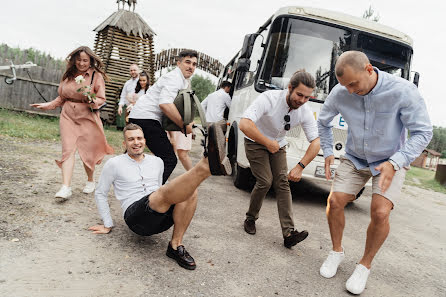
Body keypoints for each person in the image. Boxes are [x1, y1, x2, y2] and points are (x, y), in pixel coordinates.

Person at [317, 51, 432, 295]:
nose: (348, 91)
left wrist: (396, 161)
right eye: (344, 85)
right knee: (335, 201)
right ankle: (336, 252)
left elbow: (423, 132)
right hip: (355, 156)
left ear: (369, 70)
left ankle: (364, 265)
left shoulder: (403, 91)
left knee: (380, 212)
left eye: (353, 84)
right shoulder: (341, 92)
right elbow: (324, 122)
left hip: (391, 158)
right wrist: (327, 150)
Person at [88, 122, 230, 270]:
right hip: (136, 218)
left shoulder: (157, 162)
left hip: (161, 215)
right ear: (125, 143)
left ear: (145, 141)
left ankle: (175, 246)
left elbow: (165, 189)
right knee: (162, 193)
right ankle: (206, 165)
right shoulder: (114, 163)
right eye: (131, 139)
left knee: (190, 191)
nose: (136, 142)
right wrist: (107, 223)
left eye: (139, 138)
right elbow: (100, 193)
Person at [240, 70, 320, 248]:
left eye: (307, 97)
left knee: (282, 183)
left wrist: (300, 166)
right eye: (299, 94)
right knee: (265, 181)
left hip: (278, 145)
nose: (302, 100)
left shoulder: (304, 111)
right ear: (290, 88)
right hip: (255, 141)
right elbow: (245, 124)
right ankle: (250, 218)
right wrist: (267, 142)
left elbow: (316, 142)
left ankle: (289, 233)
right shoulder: (269, 98)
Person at [31, 46, 114, 199]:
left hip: (88, 116)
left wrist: (91, 98)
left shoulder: (96, 76)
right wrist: (48, 105)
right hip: (68, 116)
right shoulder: (68, 75)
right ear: (74, 60)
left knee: (87, 151)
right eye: (79, 60)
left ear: (90, 61)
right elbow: (61, 97)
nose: (81, 63)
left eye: (85, 60)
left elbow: (101, 99)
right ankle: (65, 187)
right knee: (68, 150)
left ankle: (90, 180)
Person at [129, 50, 198, 184]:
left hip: (143, 117)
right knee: (168, 159)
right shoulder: (174, 78)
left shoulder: (182, 80)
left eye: (194, 64)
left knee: (152, 157)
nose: (191, 67)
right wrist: (183, 125)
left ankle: (145, 187)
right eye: (187, 62)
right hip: (145, 118)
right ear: (179, 63)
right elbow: (165, 104)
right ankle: (152, 196)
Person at [117, 64, 140, 129]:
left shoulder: (142, 82)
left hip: (139, 108)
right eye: (131, 70)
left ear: (138, 71)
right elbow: (123, 95)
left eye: (134, 70)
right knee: (128, 125)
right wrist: (120, 107)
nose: (133, 72)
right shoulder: (127, 83)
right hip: (128, 108)